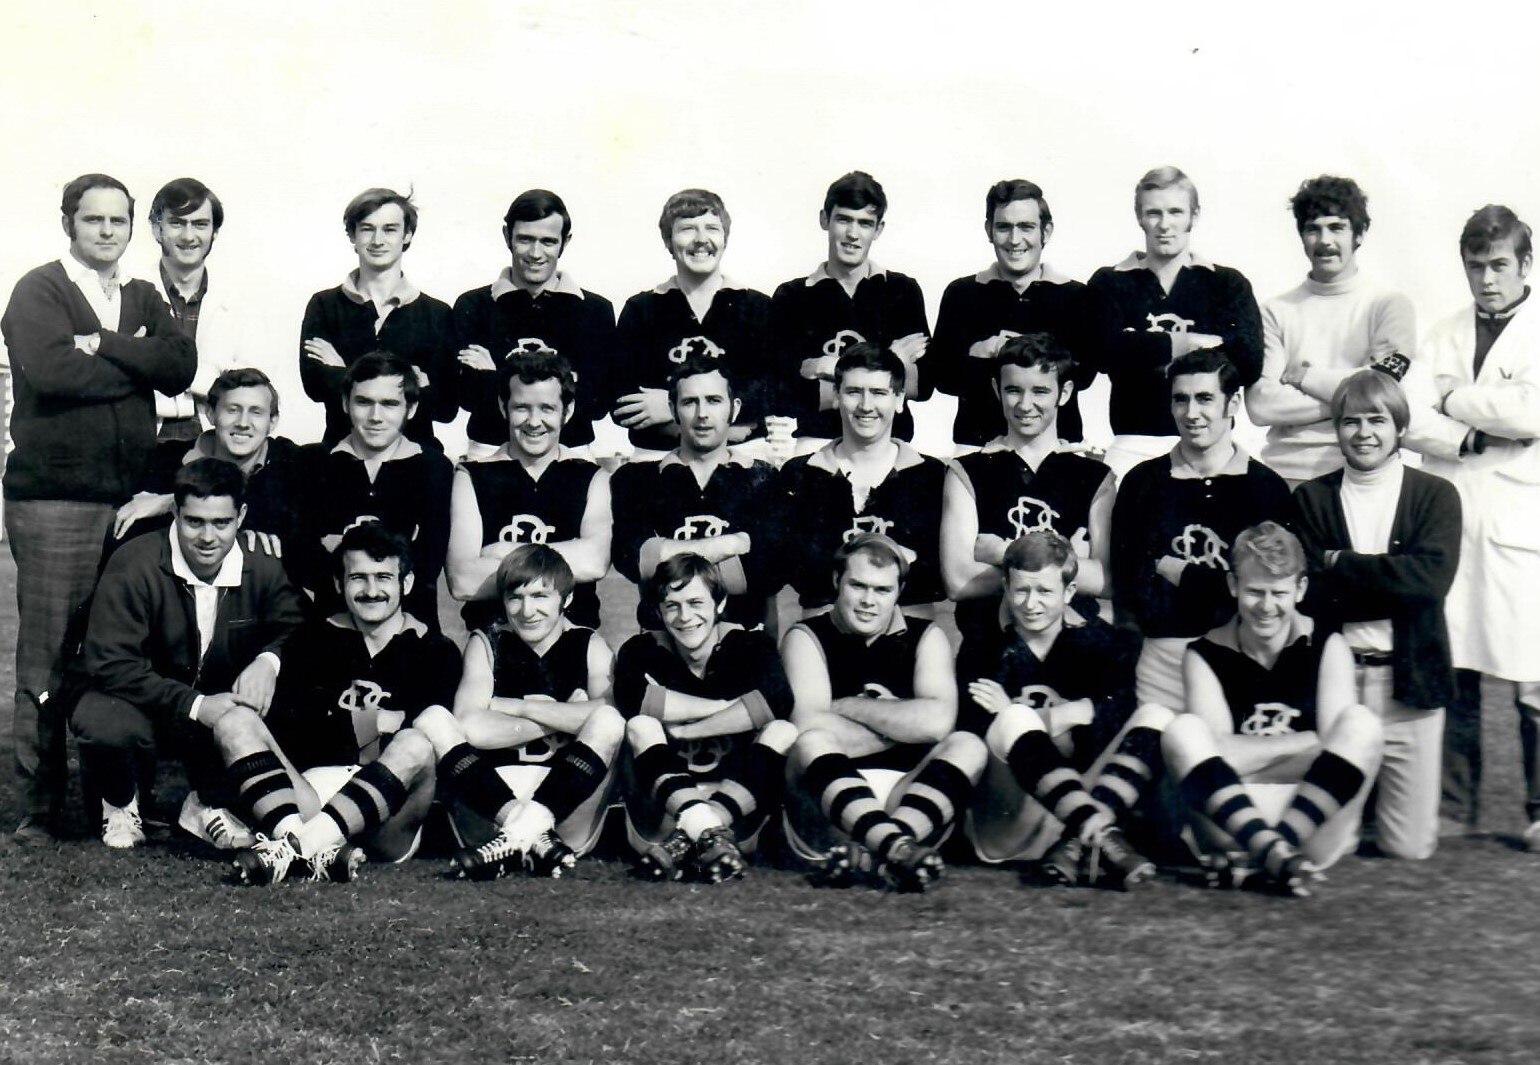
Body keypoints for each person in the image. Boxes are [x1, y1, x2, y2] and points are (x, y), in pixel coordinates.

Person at [1, 173, 197, 841]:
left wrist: (109, 345)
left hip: (130, 499)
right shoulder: (39, 289)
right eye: (94, 220)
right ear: (68, 224)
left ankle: (118, 798)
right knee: (49, 657)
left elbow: (179, 365)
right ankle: (40, 804)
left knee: (119, 648)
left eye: (119, 220)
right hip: (55, 500)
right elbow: (53, 372)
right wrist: (137, 365)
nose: (107, 231)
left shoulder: (142, 293)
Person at [65, 459, 304, 849]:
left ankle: (209, 803)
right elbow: (112, 663)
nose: (208, 537)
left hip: (213, 700)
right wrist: (196, 704)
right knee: (104, 723)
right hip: (136, 698)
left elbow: (294, 625)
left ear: (241, 516)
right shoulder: (134, 562)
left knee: (288, 699)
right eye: (194, 522)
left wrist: (268, 660)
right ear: (175, 512)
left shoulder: (260, 565)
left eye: (221, 523)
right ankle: (121, 801)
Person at [1402, 205, 1540, 844]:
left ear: (1525, 264)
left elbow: (1532, 414)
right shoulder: (1446, 331)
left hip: (1519, 516)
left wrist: (1453, 400)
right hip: (1456, 506)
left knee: (1530, 671)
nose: (1486, 280)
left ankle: (1539, 810)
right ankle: (1455, 806)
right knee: (1455, 661)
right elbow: (1410, 414)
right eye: (1475, 267)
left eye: (1499, 266)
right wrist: (1471, 437)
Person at [224, 522, 462, 884]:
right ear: (339, 584)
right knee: (234, 721)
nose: (371, 590)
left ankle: (291, 849)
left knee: (417, 743)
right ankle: (309, 845)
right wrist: (375, 723)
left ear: (406, 584)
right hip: (312, 795)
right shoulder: (312, 639)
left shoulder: (436, 650)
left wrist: (338, 722)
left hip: (388, 813)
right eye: (358, 578)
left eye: (383, 577)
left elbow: (427, 738)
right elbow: (293, 730)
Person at [1162, 522, 1383, 896]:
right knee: (1181, 730)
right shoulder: (1203, 653)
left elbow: (1224, 763)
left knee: (1362, 725)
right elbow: (1217, 757)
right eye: (1254, 592)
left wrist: (1240, 755)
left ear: (1300, 589)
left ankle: (1270, 852)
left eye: (1279, 593)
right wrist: (1312, 742)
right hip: (1232, 820)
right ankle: (1276, 856)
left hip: (1312, 816)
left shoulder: (1328, 645)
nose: (1267, 607)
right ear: (1233, 586)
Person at [1294, 371, 1460, 859]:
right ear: (1336, 428)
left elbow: (1430, 584)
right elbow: (1310, 596)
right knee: (1330, 846)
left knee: (1408, 848)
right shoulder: (1312, 498)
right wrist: (1394, 580)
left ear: (1400, 427)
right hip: (1339, 685)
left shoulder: (1435, 495)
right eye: (1350, 421)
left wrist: (1341, 563)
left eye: (1377, 420)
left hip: (1409, 685)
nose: (1363, 432)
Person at [956, 532, 1167, 888]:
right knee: (1014, 718)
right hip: (1011, 819)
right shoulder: (983, 647)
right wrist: (1067, 715)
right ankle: (1098, 833)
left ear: (1069, 592)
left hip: (1078, 806)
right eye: (1021, 590)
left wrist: (1029, 720)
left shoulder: (1101, 643)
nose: (1030, 604)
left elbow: (1115, 722)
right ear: (1005, 587)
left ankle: (1079, 838)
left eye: (1045, 592)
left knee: (1158, 715)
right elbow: (975, 735)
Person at [783, 534, 986, 891]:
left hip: (907, 799)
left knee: (969, 744)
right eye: (857, 586)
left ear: (899, 591)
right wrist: (901, 723)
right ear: (837, 582)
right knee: (812, 742)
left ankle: (889, 848)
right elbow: (807, 724)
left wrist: (846, 707)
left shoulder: (927, 636)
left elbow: (938, 723)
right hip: (827, 804)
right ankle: (897, 850)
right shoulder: (805, 635)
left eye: (882, 590)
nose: (868, 601)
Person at [1109, 350, 1294, 708]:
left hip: (1240, 657)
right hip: (1160, 663)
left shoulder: (1266, 488)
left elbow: (1264, 592)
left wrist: (1174, 569)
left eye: (1205, 398)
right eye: (1181, 399)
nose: (1191, 413)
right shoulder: (1142, 482)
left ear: (1234, 402)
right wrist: (1222, 583)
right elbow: (1131, 584)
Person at [434, 543, 626, 879]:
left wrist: (517, 707)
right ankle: (524, 832)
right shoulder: (487, 642)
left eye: (540, 596)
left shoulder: (588, 642)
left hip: (565, 797)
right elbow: (470, 726)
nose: (527, 610)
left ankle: (522, 832)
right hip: (494, 800)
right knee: (434, 720)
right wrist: (562, 715)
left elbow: (608, 714)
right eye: (516, 597)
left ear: (565, 599)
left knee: (610, 720)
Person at [613, 554, 797, 882]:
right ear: (658, 611)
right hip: (664, 813)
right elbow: (634, 701)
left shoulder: (750, 644)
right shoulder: (640, 649)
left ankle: (695, 834)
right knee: (641, 725)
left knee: (782, 730)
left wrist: (686, 731)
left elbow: (777, 701)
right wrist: (732, 706)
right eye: (672, 605)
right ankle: (705, 829)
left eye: (696, 602)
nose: (685, 617)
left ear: (720, 603)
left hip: (737, 808)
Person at [940, 333, 1114, 648]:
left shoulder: (1094, 476)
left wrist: (1002, 554)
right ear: (996, 389)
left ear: (1065, 392)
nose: (1025, 405)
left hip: (1072, 646)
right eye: (1013, 390)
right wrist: (1071, 565)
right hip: (988, 644)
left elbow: (1105, 580)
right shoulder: (967, 471)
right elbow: (959, 581)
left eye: (1041, 391)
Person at [1089, 166, 1263, 479]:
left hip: (1213, 445)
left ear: (1194, 216)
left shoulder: (1225, 283)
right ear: (1139, 216)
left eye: (1175, 212)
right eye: (1154, 212)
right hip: (1135, 443)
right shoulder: (1110, 282)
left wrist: (1140, 345)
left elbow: (1249, 360)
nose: (1164, 224)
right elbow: (1102, 351)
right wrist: (1186, 344)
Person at [1245, 176, 1418, 485]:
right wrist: (1356, 395)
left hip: (1364, 477)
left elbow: (1387, 387)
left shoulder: (1388, 304)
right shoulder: (1273, 311)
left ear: (1360, 234)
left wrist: (1307, 379)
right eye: (1313, 228)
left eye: (1337, 227)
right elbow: (1260, 406)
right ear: (1302, 236)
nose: (1325, 241)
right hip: (1287, 477)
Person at [610, 354, 781, 630]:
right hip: (664, 640)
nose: (702, 414)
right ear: (673, 408)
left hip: (742, 638)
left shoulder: (763, 478)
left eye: (714, 401)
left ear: (734, 409)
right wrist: (732, 544)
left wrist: (667, 553)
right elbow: (635, 562)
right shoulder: (635, 480)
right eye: (690, 402)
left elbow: (767, 572)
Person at [445, 351, 610, 633]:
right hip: (494, 639)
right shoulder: (471, 475)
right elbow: (463, 580)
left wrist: (503, 552)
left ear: (566, 411)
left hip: (573, 638)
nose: (534, 422)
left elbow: (594, 562)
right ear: (503, 406)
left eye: (547, 408)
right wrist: (568, 558)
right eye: (522, 407)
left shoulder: (591, 476)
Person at [778, 343, 947, 615]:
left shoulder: (931, 475)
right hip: (824, 630)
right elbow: (799, 573)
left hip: (907, 630)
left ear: (899, 398)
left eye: (878, 393)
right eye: (854, 392)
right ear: (836, 395)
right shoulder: (800, 473)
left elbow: (935, 575)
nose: (866, 406)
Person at [930, 179, 1098, 448]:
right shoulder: (962, 293)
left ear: (1046, 231)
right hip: (978, 445)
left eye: (1026, 227)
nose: (1014, 240)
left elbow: (1084, 376)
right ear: (989, 229)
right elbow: (943, 378)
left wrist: (1016, 355)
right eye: (1004, 227)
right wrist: (984, 350)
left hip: (1058, 444)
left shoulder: (1077, 296)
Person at [452, 189, 618, 457]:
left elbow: (596, 405)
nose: (535, 253)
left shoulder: (594, 310)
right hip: (489, 449)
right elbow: (469, 398)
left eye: (548, 241)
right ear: (507, 237)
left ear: (565, 241)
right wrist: (567, 381)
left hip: (571, 451)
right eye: (525, 239)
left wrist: (494, 376)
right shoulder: (474, 305)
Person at [768, 171, 930, 445]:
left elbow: (921, 385)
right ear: (824, 220)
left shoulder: (901, 290)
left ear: (878, 229)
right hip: (817, 440)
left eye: (865, 223)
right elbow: (782, 393)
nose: (853, 234)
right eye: (843, 220)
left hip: (892, 440)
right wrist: (891, 364)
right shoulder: (792, 296)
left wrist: (825, 368)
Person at [298, 352, 454, 630]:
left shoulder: (433, 468)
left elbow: (427, 567)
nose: (375, 417)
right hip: (331, 629)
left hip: (412, 629)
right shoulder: (315, 464)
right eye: (364, 402)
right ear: (346, 403)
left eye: (389, 404)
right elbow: (306, 563)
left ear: (412, 408)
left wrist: (340, 547)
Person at [611, 189, 772, 454]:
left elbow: (772, 392)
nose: (701, 240)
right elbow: (623, 401)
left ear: (725, 239)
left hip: (742, 455)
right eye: (687, 229)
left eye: (711, 228)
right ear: (668, 240)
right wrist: (727, 424)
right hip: (657, 457)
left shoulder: (756, 307)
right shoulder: (641, 309)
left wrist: (669, 406)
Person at [108, 367, 306, 577]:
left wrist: (172, 502)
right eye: (232, 409)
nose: (243, 423)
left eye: (256, 412)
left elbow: (297, 534)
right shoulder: (166, 460)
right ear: (211, 413)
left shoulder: (291, 462)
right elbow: (131, 528)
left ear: (272, 422)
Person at [299, 187, 456, 447]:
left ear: (407, 235)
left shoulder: (436, 313)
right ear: (352, 235)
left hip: (417, 458)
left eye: (390, 229)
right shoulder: (324, 305)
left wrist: (342, 371)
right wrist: (411, 383)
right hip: (341, 454)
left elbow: (445, 407)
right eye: (367, 228)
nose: (377, 240)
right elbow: (315, 386)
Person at [146, 177, 250, 441]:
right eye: (177, 223)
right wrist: (211, 375)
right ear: (156, 229)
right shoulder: (127, 292)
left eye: (200, 224)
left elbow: (248, 386)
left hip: (214, 442)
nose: (189, 236)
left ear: (214, 232)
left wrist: (161, 369)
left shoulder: (240, 302)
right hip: (143, 439)